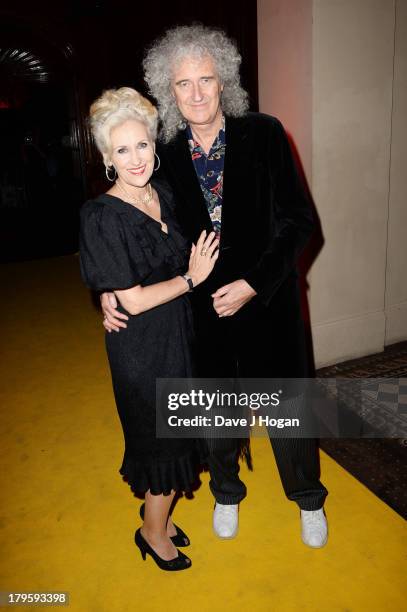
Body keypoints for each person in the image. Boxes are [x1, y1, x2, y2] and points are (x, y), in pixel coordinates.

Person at [101, 25, 329, 548]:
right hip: (202, 313)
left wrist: (253, 282)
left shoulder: (265, 133)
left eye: (207, 79)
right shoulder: (164, 157)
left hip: (268, 301)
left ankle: (308, 499)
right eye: (184, 84)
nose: (198, 93)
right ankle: (227, 491)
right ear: (169, 91)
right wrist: (111, 288)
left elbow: (299, 221)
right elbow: (136, 223)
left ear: (224, 81)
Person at [79, 87, 219, 571]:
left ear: (154, 145)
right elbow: (134, 299)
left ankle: (157, 517)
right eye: (122, 150)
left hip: (180, 339)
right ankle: (151, 531)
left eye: (142, 145)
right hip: (142, 351)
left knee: (179, 435)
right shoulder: (100, 216)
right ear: (106, 157)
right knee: (162, 445)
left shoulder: (163, 194)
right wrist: (189, 279)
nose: (135, 158)